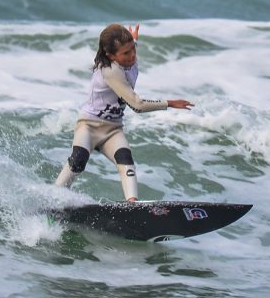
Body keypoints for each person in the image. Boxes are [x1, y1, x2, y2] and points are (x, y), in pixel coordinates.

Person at [55, 23, 193, 202]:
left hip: (112, 130)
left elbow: (128, 47)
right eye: (126, 53)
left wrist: (134, 38)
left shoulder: (128, 57)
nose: (133, 55)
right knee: (78, 160)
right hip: (89, 125)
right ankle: (54, 199)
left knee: (125, 160)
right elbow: (137, 105)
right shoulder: (111, 70)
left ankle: (132, 204)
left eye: (133, 49)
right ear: (110, 55)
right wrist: (170, 103)